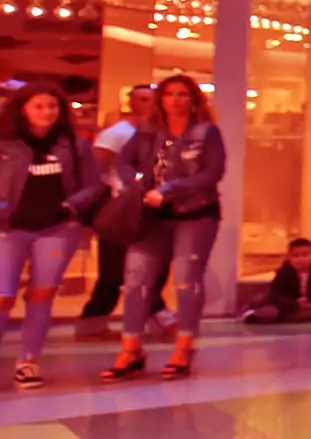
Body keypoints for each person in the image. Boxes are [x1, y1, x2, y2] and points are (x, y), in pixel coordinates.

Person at [105, 73, 227, 381]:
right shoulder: (148, 130)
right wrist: (139, 184)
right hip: (149, 214)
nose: (175, 100)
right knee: (135, 280)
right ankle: (131, 348)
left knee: (186, 281)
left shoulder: (206, 132)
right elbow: (124, 161)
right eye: (169, 94)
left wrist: (168, 190)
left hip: (195, 214)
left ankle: (184, 346)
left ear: (193, 99)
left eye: (182, 94)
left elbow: (211, 173)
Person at [1, 80, 106, 388]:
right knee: (3, 296)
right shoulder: (6, 143)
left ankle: (28, 360)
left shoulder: (73, 143)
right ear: (23, 109)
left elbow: (93, 185)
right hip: (10, 228)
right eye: (38, 106)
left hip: (58, 228)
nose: (46, 112)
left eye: (52, 106)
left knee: (42, 293)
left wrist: (70, 207)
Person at [78, 82, 161, 332]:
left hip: (150, 205)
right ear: (132, 103)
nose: (147, 104)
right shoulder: (116, 133)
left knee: (147, 266)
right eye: (142, 99)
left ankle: (156, 315)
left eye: (151, 99)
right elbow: (96, 170)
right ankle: (93, 321)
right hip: (121, 207)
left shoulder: (159, 133)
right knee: (114, 267)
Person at [241, 237, 311, 324]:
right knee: (267, 311)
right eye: (295, 256)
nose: (300, 259)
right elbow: (276, 293)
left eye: (305, 255)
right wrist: (294, 303)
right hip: (291, 308)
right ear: (289, 257)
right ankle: (250, 313)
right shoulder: (284, 272)